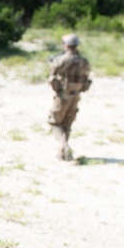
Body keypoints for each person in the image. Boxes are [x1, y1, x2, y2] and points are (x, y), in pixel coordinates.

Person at [47, 33, 92, 161]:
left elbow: (52, 79)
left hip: (62, 96)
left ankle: (63, 145)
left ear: (66, 45)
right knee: (67, 123)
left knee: (55, 122)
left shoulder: (59, 61)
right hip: (76, 96)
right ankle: (62, 152)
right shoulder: (83, 62)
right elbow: (86, 79)